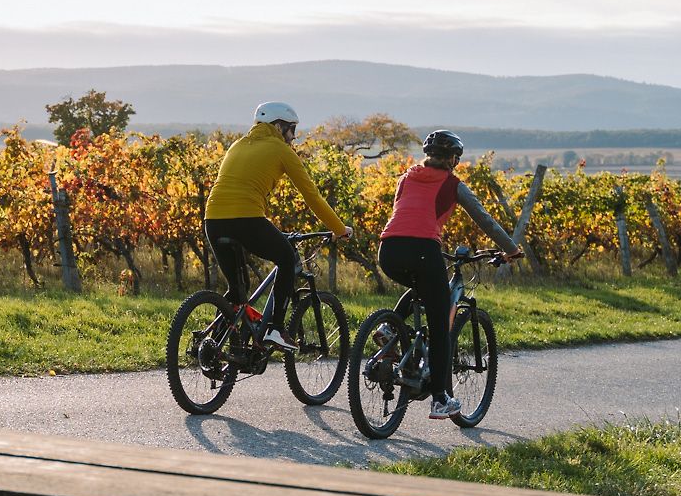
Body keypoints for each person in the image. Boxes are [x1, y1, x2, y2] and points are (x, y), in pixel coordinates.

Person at [378, 129, 520, 418]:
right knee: (441, 324)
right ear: (454, 159)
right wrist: (511, 249)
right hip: (424, 249)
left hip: (389, 250)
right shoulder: (453, 184)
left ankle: (389, 329)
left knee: (421, 288)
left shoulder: (406, 177)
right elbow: (485, 220)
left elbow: (403, 211)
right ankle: (441, 398)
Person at [204, 101, 352, 353]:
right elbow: (312, 196)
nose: (293, 137)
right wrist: (339, 229)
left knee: (238, 290)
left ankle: (213, 345)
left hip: (213, 219)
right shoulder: (281, 150)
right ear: (279, 126)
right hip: (247, 218)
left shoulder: (237, 145)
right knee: (286, 258)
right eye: (292, 130)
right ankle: (274, 328)